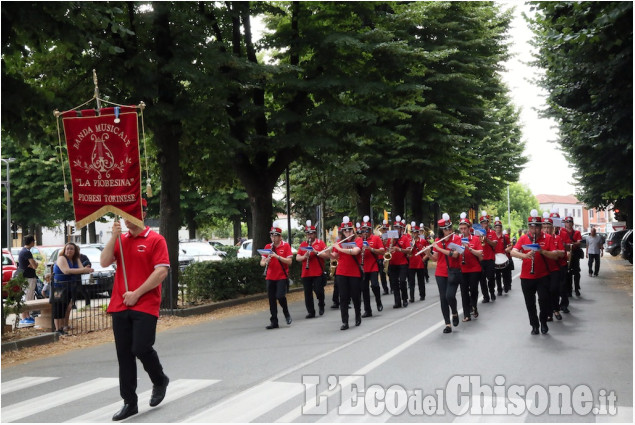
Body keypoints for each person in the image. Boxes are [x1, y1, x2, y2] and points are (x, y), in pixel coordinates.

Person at [101, 199, 171, 421]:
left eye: (130, 214)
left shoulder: (155, 240)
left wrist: (137, 293)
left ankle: (159, 380)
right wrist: (113, 236)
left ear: (142, 214)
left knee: (141, 348)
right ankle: (129, 402)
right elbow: (104, 262)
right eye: (123, 215)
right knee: (124, 355)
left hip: (145, 303)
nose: (125, 219)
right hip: (120, 304)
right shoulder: (120, 240)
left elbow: (161, 272)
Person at [511, 210, 560, 335]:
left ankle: (543, 321)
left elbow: (555, 256)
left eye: (536, 227)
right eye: (531, 227)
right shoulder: (523, 238)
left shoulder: (547, 238)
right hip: (526, 277)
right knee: (530, 303)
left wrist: (542, 251)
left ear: (540, 227)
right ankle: (534, 325)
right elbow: (513, 252)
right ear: (529, 227)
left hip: (543, 276)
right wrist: (525, 255)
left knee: (544, 300)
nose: (534, 231)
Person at [328, 216, 363, 330]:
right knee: (343, 297)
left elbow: (355, 251)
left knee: (355, 297)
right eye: (345, 230)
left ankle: (358, 316)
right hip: (341, 272)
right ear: (342, 232)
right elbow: (335, 256)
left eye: (349, 230)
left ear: (353, 230)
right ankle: (345, 322)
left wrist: (339, 247)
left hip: (354, 272)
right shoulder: (339, 241)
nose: (347, 232)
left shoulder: (358, 240)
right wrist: (328, 252)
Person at [431, 213, 463, 334]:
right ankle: (447, 324)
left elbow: (455, 255)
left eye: (450, 228)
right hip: (440, 273)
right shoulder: (437, 240)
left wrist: (439, 249)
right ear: (442, 231)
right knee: (443, 298)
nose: (448, 231)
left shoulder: (457, 239)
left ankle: (454, 312)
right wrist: (428, 253)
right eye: (446, 229)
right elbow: (435, 258)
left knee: (450, 296)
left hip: (453, 272)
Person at [52, 242, 93, 334]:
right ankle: (57, 329)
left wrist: (86, 269)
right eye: (67, 248)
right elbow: (66, 271)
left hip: (69, 287)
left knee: (66, 307)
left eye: (72, 249)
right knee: (58, 307)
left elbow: (81, 269)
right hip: (59, 287)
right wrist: (84, 270)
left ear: (75, 251)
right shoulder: (62, 258)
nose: (69, 250)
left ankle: (62, 327)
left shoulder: (75, 259)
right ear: (64, 250)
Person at [260, 226, 293, 329]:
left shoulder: (286, 246)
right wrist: (266, 261)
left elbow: (289, 261)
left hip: (281, 276)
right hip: (270, 276)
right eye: (271, 236)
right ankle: (274, 321)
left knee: (280, 296)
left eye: (275, 236)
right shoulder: (267, 247)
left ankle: (286, 313)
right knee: (271, 300)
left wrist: (277, 256)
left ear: (280, 237)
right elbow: (261, 263)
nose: (273, 238)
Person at [296, 220, 327, 318]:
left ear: (315, 234)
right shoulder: (303, 245)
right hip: (306, 273)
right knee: (307, 293)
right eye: (308, 234)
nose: (310, 235)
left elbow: (326, 256)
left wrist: (316, 251)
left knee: (318, 290)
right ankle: (311, 312)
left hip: (317, 272)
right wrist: (305, 257)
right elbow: (297, 258)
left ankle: (321, 304)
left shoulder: (320, 243)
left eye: (311, 233)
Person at [458, 213, 483, 322]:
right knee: (463, 291)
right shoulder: (458, 239)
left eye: (465, 228)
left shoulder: (475, 239)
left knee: (473, 289)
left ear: (469, 228)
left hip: (474, 269)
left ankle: (474, 306)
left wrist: (469, 248)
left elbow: (480, 254)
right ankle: (466, 314)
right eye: (461, 229)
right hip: (462, 269)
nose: (463, 231)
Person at [541, 213, 566, 321]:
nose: (546, 229)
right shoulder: (540, 239)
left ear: (552, 228)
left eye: (548, 227)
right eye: (544, 227)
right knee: (545, 292)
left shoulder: (557, 238)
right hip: (543, 269)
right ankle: (548, 313)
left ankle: (556, 309)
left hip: (555, 268)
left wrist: (556, 252)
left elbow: (562, 253)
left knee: (554, 289)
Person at [359, 216, 385, 317]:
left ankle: (378, 301)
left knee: (375, 285)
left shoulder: (376, 238)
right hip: (363, 267)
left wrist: (371, 249)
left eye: (366, 230)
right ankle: (367, 310)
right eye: (363, 231)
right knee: (364, 289)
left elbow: (382, 251)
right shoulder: (359, 240)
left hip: (373, 265)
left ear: (370, 230)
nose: (365, 233)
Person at [387, 216, 412, 308]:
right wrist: (389, 250)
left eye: (398, 228)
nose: (396, 229)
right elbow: (387, 250)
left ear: (401, 229)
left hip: (402, 263)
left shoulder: (405, 238)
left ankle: (404, 299)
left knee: (402, 281)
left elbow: (409, 251)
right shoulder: (390, 238)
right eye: (395, 228)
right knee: (394, 283)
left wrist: (399, 249)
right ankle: (397, 301)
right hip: (393, 263)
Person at [17, 235, 38, 325]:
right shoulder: (27, 252)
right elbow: (34, 266)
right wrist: (35, 263)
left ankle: (26, 315)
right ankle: (25, 316)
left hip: (24, 276)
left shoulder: (22, 251)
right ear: (32, 242)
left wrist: (32, 264)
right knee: (28, 296)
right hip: (29, 277)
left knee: (26, 295)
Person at [560, 216, 583, 297]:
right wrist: (572, 244)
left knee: (576, 272)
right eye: (567, 222)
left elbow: (579, 242)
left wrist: (570, 244)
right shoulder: (562, 232)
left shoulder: (577, 232)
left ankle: (576, 289)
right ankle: (569, 290)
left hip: (575, 254)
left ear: (572, 223)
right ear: (565, 223)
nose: (568, 223)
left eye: (570, 222)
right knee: (568, 273)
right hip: (566, 254)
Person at [478, 212, 497, 303]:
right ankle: (486, 296)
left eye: (485, 223)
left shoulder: (492, 233)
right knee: (482, 280)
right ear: (481, 224)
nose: (484, 224)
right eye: (482, 223)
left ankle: (492, 292)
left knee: (491, 278)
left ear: (488, 223)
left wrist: (486, 239)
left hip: (490, 259)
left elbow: (494, 244)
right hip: (481, 259)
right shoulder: (477, 234)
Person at [407, 222, 428, 302]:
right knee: (411, 282)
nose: (413, 234)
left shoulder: (423, 241)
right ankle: (412, 297)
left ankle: (422, 295)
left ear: (418, 233)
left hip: (420, 263)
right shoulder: (409, 241)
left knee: (421, 281)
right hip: (412, 263)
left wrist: (425, 258)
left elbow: (428, 251)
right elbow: (408, 252)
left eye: (415, 232)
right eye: (412, 232)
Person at [377, 220, 390, 295]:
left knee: (390, 273)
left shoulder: (391, 238)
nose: (385, 231)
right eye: (384, 229)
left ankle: (392, 287)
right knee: (382, 275)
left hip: (388, 257)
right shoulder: (379, 237)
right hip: (381, 257)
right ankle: (385, 289)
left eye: (386, 229)